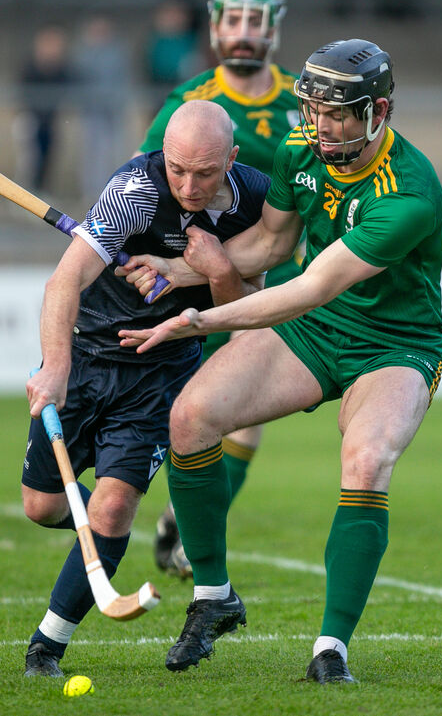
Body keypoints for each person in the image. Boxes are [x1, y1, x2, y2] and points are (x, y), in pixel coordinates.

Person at [119, 39, 442, 684]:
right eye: (313, 110)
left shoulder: (410, 193)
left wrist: (201, 318)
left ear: (378, 111)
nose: (319, 126)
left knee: (366, 460)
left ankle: (331, 649)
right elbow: (269, 244)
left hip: (395, 341)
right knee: (191, 417)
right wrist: (174, 268)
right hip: (315, 330)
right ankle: (213, 596)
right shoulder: (300, 150)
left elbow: (311, 285)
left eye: (337, 114)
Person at [20, 100, 269, 677]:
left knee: (111, 508)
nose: (188, 186)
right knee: (41, 506)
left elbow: (248, 313)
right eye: (177, 170)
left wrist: (218, 269)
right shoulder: (134, 191)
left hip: (161, 373)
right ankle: (106, 531)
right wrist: (55, 368)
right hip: (86, 355)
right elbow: (63, 283)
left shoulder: (255, 201)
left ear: (231, 160)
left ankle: (45, 648)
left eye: (204, 173)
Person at [138, 0, 303, 579]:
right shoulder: (190, 101)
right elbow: (145, 182)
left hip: (279, 281)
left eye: (255, 21)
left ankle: (188, 532)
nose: (243, 33)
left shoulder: (303, 102)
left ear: (273, 27)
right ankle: (181, 514)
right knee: (191, 412)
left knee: (248, 413)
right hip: (198, 279)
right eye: (233, 20)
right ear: (214, 26)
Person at [72, 15, 132, 200]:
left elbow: (121, 81)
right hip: (91, 111)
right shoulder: (83, 55)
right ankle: (90, 191)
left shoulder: (116, 54)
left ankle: (113, 189)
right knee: (91, 153)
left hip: (112, 111)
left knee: (113, 152)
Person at [15, 24, 72, 192]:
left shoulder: (62, 69)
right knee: (29, 160)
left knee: (48, 156)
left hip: (50, 121)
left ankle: (41, 191)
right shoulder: (30, 66)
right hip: (30, 119)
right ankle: (22, 192)